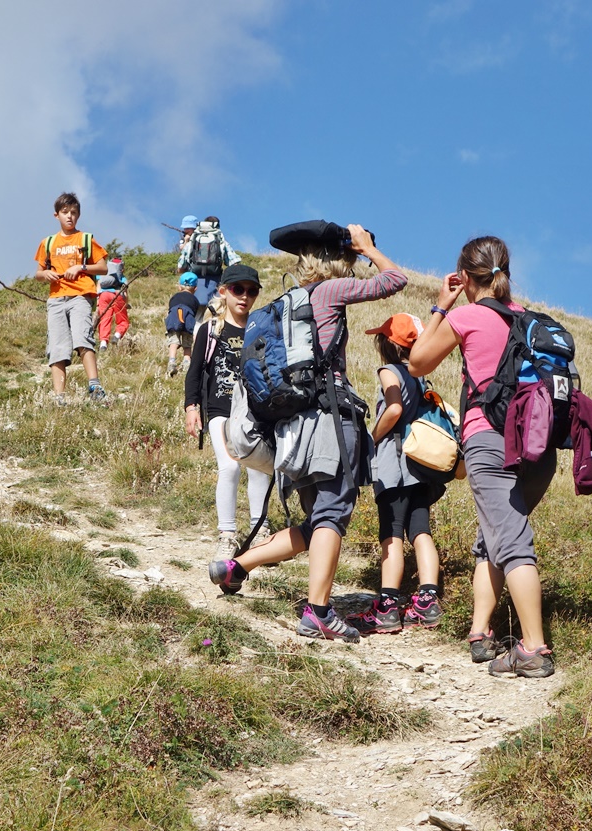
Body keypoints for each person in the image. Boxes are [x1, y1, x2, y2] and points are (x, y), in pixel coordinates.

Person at [207, 226, 407, 642]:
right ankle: (317, 611)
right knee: (333, 514)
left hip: (294, 429)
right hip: (333, 420)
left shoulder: (286, 303)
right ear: (335, 261)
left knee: (317, 519)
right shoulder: (329, 292)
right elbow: (395, 280)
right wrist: (370, 248)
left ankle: (238, 566)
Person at [407, 236, 557, 678]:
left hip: (489, 440)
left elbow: (417, 363)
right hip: (538, 446)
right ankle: (480, 633)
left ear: (467, 277)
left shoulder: (468, 316)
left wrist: (441, 307)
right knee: (492, 535)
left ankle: (534, 649)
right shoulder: (528, 320)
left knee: (510, 540)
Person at [349, 313, 447, 635]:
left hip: (395, 465)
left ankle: (388, 607)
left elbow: (393, 409)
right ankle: (428, 600)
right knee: (421, 531)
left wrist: (370, 440)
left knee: (391, 532)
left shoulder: (389, 371)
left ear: (389, 345)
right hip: (422, 467)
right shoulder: (420, 376)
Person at [185, 264, 273, 564]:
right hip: (220, 410)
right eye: (238, 289)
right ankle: (227, 535)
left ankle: (260, 531)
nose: (244, 297)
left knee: (260, 468)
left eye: (252, 291)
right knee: (230, 467)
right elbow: (195, 372)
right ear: (223, 291)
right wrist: (191, 407)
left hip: (256, 412)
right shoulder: (210, 330)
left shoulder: (261, 329)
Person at [33, 192, 109, 403]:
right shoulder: (47, 243)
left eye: (74, 213)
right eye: (65, 212)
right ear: (56, 215)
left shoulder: (86, 239)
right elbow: (38, 273)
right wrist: (45, 275)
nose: (70, 217)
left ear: (79, 215)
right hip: (56, 298)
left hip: (80, 296)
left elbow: (103, 267)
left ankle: (95, 386)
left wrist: (80, 267)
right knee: (57, 347)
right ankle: (59, 396)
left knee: (83, 338)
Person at [178, 215, 241, 328]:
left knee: (196, 321)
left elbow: (180, 267)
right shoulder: (220, 241)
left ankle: (196, 342)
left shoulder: (193, 241)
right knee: (215, 320)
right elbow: (234, 263)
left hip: (194, 288)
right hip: (215, 287)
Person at [166, 272, 198, 377]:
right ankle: (186, 363)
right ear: (195, 288)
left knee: (173, 341)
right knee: (187, 344)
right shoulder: (195, 300)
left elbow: (170, 310)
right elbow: (194, 313)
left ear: (180, 287)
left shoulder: (174, 297)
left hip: (174, 318)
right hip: (188, 319)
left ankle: (172, 362)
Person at [95, 257, 129, 351]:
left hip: (104, 296)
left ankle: (103, 343)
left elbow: (98, 286)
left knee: (105, 320)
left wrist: (98, 299)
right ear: (121, 268)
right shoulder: (122, 277)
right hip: (117, 295)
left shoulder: (102, 274)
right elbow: (125, 293)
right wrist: (125, 303)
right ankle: (117, 335)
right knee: (123, 320)